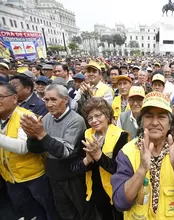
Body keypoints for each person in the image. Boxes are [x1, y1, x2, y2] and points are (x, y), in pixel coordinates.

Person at [111, 92, 174, 219]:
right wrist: (141, 169)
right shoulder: (127, 152)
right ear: (141, 122)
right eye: (149, 116)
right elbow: (120, 202)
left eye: (162, 117)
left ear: (169, 123)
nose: (155, 122)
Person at [21, 84, 99, 220]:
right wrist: (32, 136)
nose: (49, 104)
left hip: (72, 176)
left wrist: (41, 135)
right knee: (64, 213)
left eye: (53, 100)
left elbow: (64, 152)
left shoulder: (76, 120)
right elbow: (36, 150)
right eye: (46, 100)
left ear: (65, 100)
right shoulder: (46, 118)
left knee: (82, 211)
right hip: (54, 175)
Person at [0, 82, 58, 220]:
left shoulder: (26, 117)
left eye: (1, 97)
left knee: (47, 211)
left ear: (14, 98)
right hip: (11, 179)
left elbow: (22, 147)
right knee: (26, 213)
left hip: (34, 177)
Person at [71, 97, 129, 220]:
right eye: (90, 118)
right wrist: (87, 160)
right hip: (95, 192)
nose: (94, 121)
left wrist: (99, 156)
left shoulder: (121, 135)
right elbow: (75, 168)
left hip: (116, 190)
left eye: (98, 115)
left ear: (107, 116)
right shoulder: (86, 135)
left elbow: (119, 169)